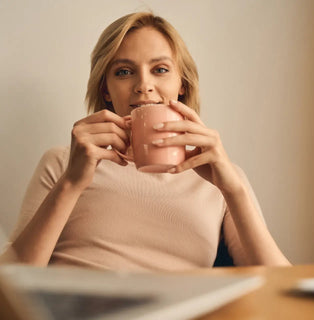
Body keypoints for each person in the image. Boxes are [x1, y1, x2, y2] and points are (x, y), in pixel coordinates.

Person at [0, 12, 290, 270]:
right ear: (107, 90)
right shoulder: (64, 163)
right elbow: (9, 285)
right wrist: (71, 183)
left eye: (160, 69)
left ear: (181, 86)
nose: (143, 85)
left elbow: (283, 293)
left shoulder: (221, 178)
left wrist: (233, 190)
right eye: (124, 72)